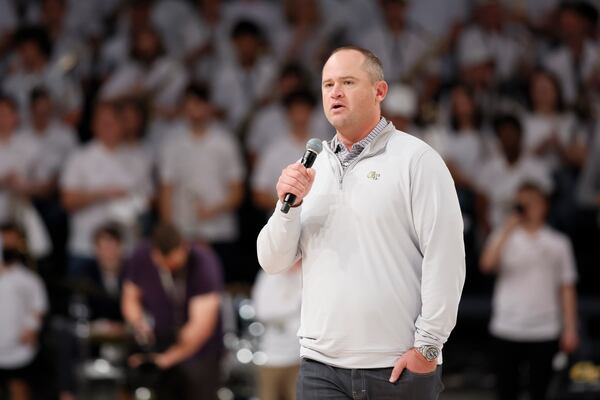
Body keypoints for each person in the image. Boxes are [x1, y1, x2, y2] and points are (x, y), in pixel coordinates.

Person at [256, 46, 465, 399]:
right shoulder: (312, 169)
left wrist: (427, 349)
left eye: (348, 82)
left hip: (396, 366)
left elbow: (446, 259)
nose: (335, 92)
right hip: (319, 366)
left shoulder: (417, 160)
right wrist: (286, 207)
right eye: (327, 85)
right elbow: (272, 261)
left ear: (379, 91)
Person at [480, 182, 579, 400]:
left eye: (531, 203)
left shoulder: (558, 243)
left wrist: (570, 328)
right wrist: (507, 229)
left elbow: (567, 287)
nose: (526, 208)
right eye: (521, 204)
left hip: (544, 328)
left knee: (540, 390)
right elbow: (486, 265)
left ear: (544, 205)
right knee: (506, 390)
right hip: (507, 326)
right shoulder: (503, 237)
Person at [122, 223, 224, 400]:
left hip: (200, 350)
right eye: (164, 263)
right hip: (162, 337)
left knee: (197, 384)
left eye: (174, 263)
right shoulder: (141, 256)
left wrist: (165, 359)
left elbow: (201, 329)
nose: (170, 268)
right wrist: (139, 324)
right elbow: (130, 298)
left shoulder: (203, 262)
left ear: (184, 247)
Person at [0, 223, 48, 400]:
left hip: (19, 351)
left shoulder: (29, 279)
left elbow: (38, 307)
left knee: (18, 389)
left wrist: (31, 327)